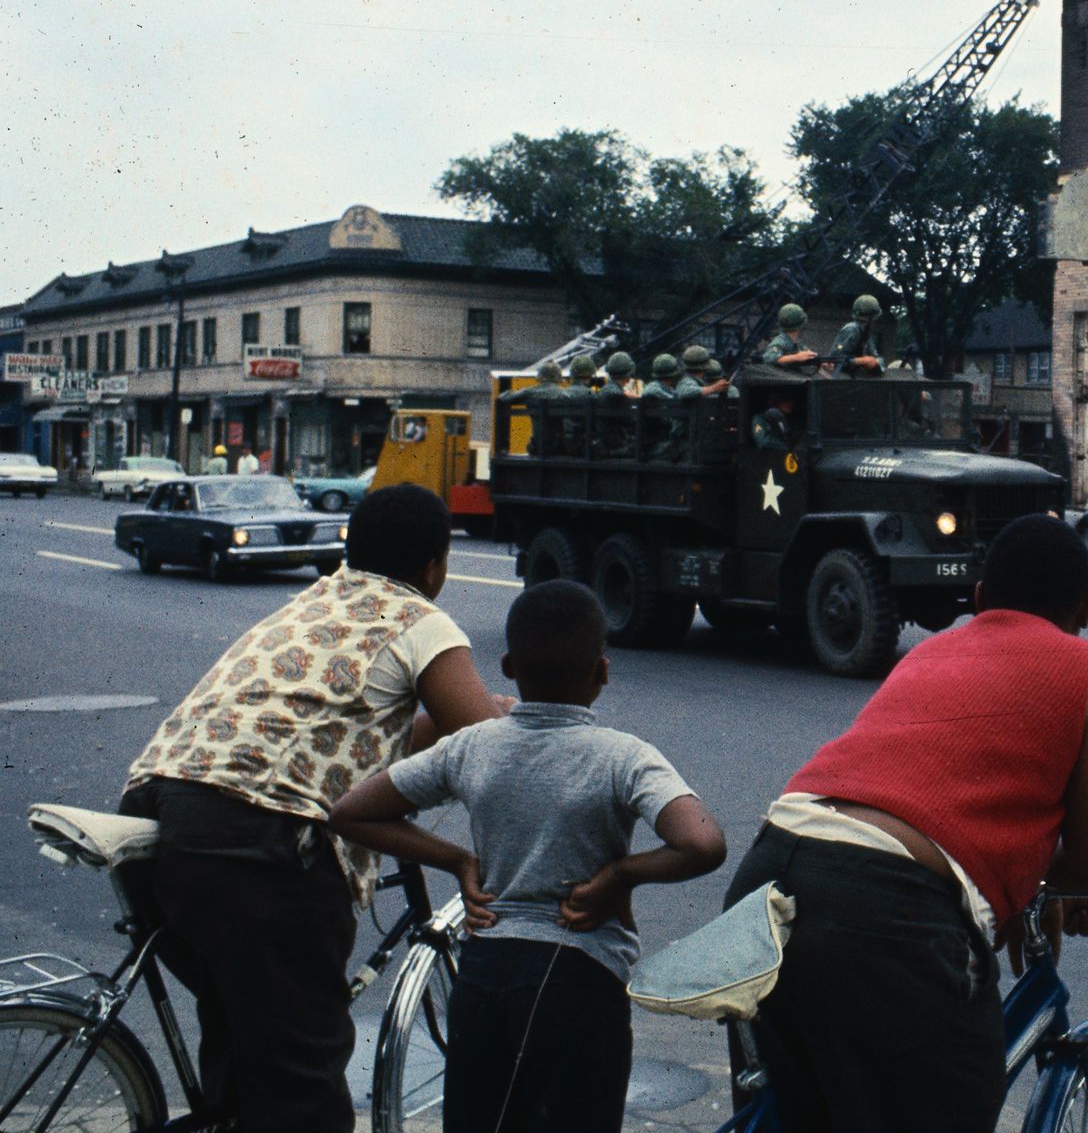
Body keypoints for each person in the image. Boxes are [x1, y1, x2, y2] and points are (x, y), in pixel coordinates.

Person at [118, 484, 515, 1133]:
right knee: (304, 1089)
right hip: (259, 840)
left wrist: (446, 725)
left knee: (247, 1046)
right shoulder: (420, 619)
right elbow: (494, 757)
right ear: (436, 566)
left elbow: (358, 738)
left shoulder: (317, 599)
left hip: (165, 812)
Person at [723, 514, 1088, 1133]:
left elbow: (913, 793)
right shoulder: (1087, 667)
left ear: (977, 600)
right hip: (888, 914)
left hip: (770, 871)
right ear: (1087, 606)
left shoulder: (931, 653)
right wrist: (1061, 884)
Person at [330, 580, 727, 1133]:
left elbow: (350, 811)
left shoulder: (473, 745)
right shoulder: (625, 757)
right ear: (603, 672)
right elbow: (704, 843)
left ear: (510, 666)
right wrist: (622, 874)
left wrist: (459, 862)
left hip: (484, 980)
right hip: (581, 984)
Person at [831, 294, 886, 379]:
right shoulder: (851, 330)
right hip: (841, 378)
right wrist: (859, 361)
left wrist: (876, 362)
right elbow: (834, 358)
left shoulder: (864, 332)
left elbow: (876, 356)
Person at [766, 303, 824, 372]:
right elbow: (769, 359)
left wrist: (822, 361)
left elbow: (807, 353)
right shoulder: (780, 342)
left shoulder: (796, 342)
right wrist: (797, 357)